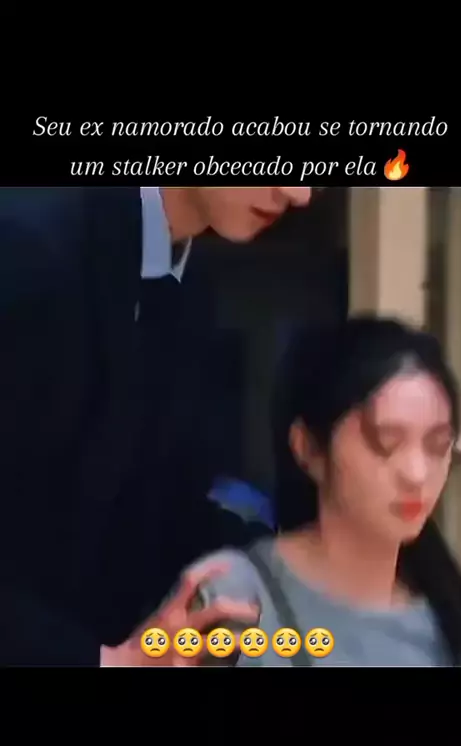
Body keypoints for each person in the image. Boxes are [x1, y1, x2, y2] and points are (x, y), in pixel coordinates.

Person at [0, 186, 312, 666]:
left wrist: (310, 562)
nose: (299, 193)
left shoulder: (187, 285)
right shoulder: (28, 242)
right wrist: (103, 661)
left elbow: (159, 510)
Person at [125, 314, 461, 667]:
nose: (417, 474)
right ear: (308, 448)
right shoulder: (232, 597)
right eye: (385, 443)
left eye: (437, 445)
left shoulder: (459, 616)